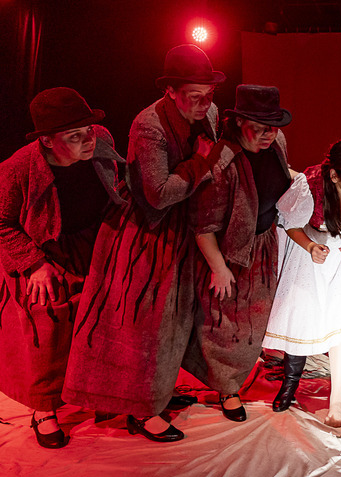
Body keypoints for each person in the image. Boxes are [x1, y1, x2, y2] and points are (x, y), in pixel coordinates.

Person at [62, 44, 225, 442]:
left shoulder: (211, 113)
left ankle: (157, 393)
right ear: (170, 91)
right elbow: (158, 194)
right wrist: (200, 164)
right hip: (146, 235)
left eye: (208, 94)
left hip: (185, 230)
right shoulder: (148, 125)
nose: (204, 104)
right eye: (194, 96)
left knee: (176, 322)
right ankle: (139, 409)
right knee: (143, 323)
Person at [0, 88, 125, 448]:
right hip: (45, 248)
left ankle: (101, 391)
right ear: (47, 141)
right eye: (74, 136)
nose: (88, 140)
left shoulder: (100, 139)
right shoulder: (17, 170)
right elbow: (2, 223)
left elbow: (114, 182)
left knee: (111, 307)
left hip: (92, 240)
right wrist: (34, 264)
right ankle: (44, 408)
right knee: (49, 313)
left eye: (88, 130)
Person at [191, 85, 292, 423]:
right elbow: (203, 226)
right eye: (260, 127)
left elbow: (281, 178)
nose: (268, 134)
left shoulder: (276, 144)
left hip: (263, 242)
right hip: (230, 252)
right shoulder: (223, 162)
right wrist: (219, 268)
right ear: (238, 122)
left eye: (273, 127)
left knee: (255, 317)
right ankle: (227, 388)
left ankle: (241, 371)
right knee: (225, 322)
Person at [263, 137, 341, 428]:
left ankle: (336, 399)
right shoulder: (311, 186)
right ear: (335, 175)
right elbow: (291, 224)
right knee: (302, 316)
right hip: (311, 253)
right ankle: (290, 384)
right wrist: (311, 246)